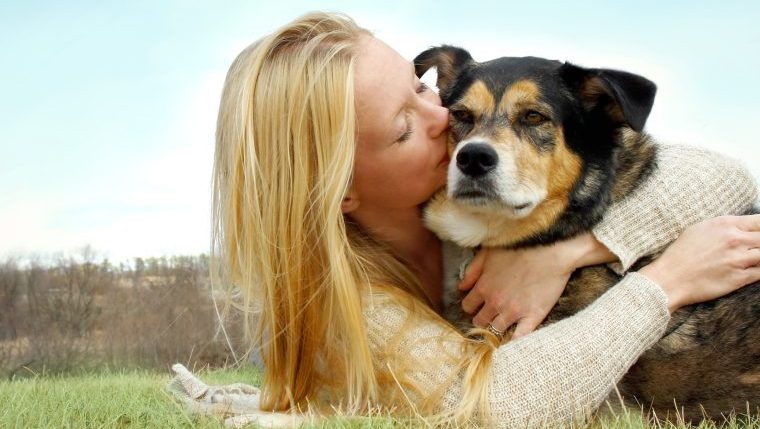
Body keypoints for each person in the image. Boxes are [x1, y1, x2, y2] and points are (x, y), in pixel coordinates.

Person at [174, 11, 760, 428]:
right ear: (340, 189)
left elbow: (723, 175)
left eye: (424, 90)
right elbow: (491, 407)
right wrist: (665, 284)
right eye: (404, 127)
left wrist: (568, 252)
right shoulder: (352, 304)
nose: (451, 128)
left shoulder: (495, 210)